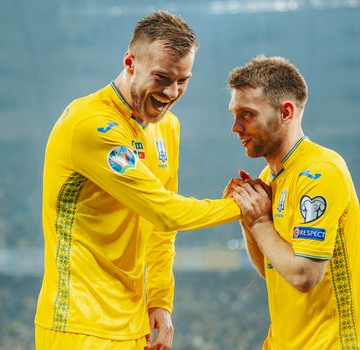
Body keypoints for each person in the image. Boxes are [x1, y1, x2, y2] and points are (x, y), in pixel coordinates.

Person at [34, 11, 241, 350]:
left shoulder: (167, 127)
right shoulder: (90, 123)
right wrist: (241, 206)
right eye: (162, 77)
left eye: (183, 80)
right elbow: (165, 211)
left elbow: (161, 230)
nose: (172, 91)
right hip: (78, 324)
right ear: (130, 61)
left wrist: (159, 299)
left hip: (133, 325)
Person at [225, 55, 360, 349]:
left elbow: (304, 275)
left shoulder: (320, 171)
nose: (235, 126)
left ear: (286, 112)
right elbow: (273, 267)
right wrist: (249, 221)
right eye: (233, 114)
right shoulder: (268, 178)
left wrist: (259, 220)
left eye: (247, 114)